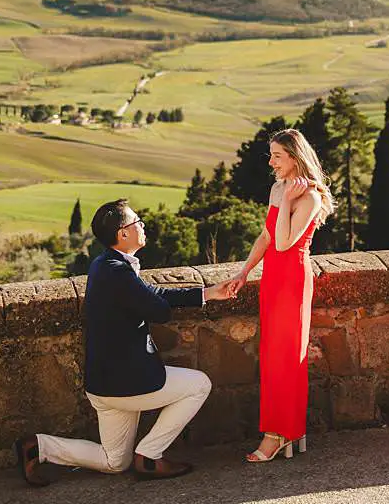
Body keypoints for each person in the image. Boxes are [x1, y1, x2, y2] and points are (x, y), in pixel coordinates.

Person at [15, 199, 241, 485]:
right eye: (138, 222)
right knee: (199, 384)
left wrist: (206, 293)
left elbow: (151, 293)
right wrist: (154, 301)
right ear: (123, 233)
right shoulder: (118, 272)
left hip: (103, 384)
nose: (143, 225)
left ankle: (38, 447)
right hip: (127, 384)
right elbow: (157, 309)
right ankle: (149, 455)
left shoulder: (104, 264)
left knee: (114, 462)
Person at [227, 128, 334, 463]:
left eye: (277, 156)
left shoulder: (311, 197)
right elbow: (267, 235)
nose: (271, 162)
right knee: (272, 356)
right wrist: (244, 271)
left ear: (295, 157)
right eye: (271, 154)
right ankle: (283, 432)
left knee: (288, 358)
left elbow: (286, 242)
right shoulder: (278, 187)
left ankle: (280, 434)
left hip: (292, 281)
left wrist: (289, 201)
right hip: (273, 277)